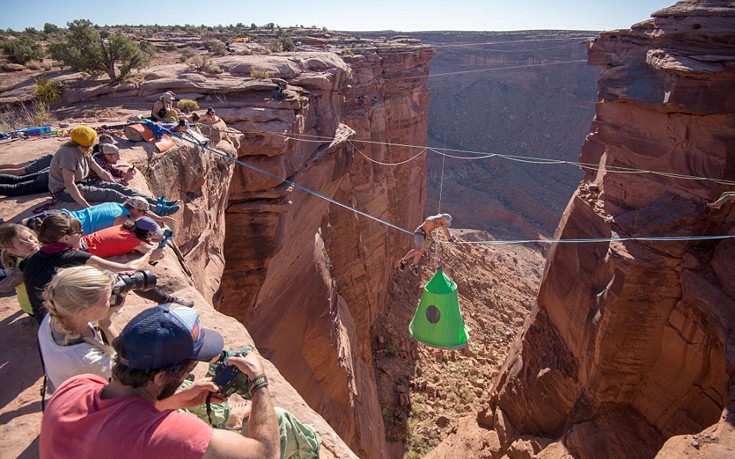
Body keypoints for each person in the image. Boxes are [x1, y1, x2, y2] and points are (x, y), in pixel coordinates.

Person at [39, 304, 280, 459]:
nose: (188, 375)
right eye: (189, 367)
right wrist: (258, 382)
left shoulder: (76, 386)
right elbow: (265, 455)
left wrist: (171, 402)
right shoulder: (175, 436)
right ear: (160, 377)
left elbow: (117, 422)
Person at [20, 213, 191, 321]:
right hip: (66, 318)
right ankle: (164, 300)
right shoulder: (72, 256)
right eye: (78, 233)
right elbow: (128, 268)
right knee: (130, 278)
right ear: (65, 238)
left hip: (43, 318)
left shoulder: (32, 258)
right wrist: (149, 256)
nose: (82, 235)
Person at [47, 125, 179, 216]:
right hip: (64, 191)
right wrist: (86, 206)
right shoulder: (68, 154)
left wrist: (115, 183)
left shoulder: (84, 151)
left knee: (123, 190)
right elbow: (69, 183)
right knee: (112, 194)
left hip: (83, 183)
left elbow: (101, 172)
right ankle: (155, 209)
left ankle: (158, 203)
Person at [37, 265, 123, 392]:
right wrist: (106, 323)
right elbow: (127, 363)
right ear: (86, 310)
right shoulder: (85, 360)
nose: (111, 300)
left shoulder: (55, 314)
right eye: (107, 298)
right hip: (88, 405)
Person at [23, 196, 177, 235]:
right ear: (135, 211)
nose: (143, 215)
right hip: (63, 227)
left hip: (60, 214)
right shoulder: (122, 219)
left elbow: (139, 212)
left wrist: (159, 218)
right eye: (143, 213)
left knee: (15, 228)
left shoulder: (114, 204)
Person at [0, 223, 39, 317]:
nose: (30, 243)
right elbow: (4, 287)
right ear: (12, 250)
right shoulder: (25, 266)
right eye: (21, 243)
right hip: (36, 308)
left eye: (31, 237)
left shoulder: (35, 251)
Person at [83, 217, 164, 258]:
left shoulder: (122, 227)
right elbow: (157, 254)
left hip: (80, 242)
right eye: (152, 234)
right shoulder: (134, 242)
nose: (154, 236)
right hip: (83, 254)